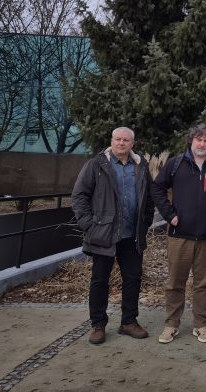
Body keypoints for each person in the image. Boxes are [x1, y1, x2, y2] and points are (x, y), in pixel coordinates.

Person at [71, 127, 155, 345]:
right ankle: (98, 325)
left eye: (126, 140)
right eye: (118, 139)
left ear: (132, 144)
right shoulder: (97, 164)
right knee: (99, 280)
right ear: (112, 141)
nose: (121, 143)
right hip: (103, 234)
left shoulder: (140, 166)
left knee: (133, 279)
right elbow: (79, 195)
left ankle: (129, 322)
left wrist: (145, 222)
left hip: (131, 235)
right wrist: (89, 226)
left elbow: (149, 198)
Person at [152, 124, 206, 345]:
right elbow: (157, 188)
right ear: (191, 141)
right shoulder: (175, 164)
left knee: (203, 284)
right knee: (175, 283)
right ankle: (171, 324)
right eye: (199, 139)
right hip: (179, 235)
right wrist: (170, 215)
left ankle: (201, 324)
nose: (202, 144)